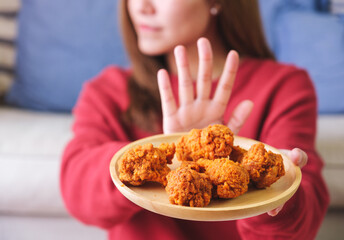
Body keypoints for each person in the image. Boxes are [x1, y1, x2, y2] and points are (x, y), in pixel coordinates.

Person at [60, 0, 330, 239]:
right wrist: (162, 156)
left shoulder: (283, 86)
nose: (141, 6)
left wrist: (277, 197)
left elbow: (299, 228)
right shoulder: (107, 90)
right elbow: (76, 192)